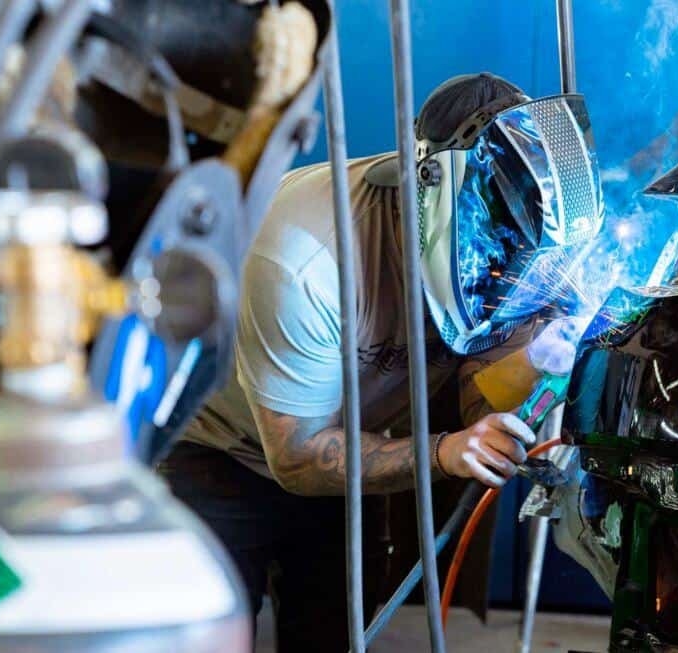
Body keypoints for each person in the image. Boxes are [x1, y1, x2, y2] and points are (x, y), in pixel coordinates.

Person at [158, 72, 604, 651]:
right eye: (502, 250)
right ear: (433, 197)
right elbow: (295, 456)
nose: (511, 270)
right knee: (209, 634)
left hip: (354, 447)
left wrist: (532, 364)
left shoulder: (510, 245)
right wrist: (446, 451)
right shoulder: (305, 258)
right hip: (222, 450)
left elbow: (476, 393)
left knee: (334, 630)